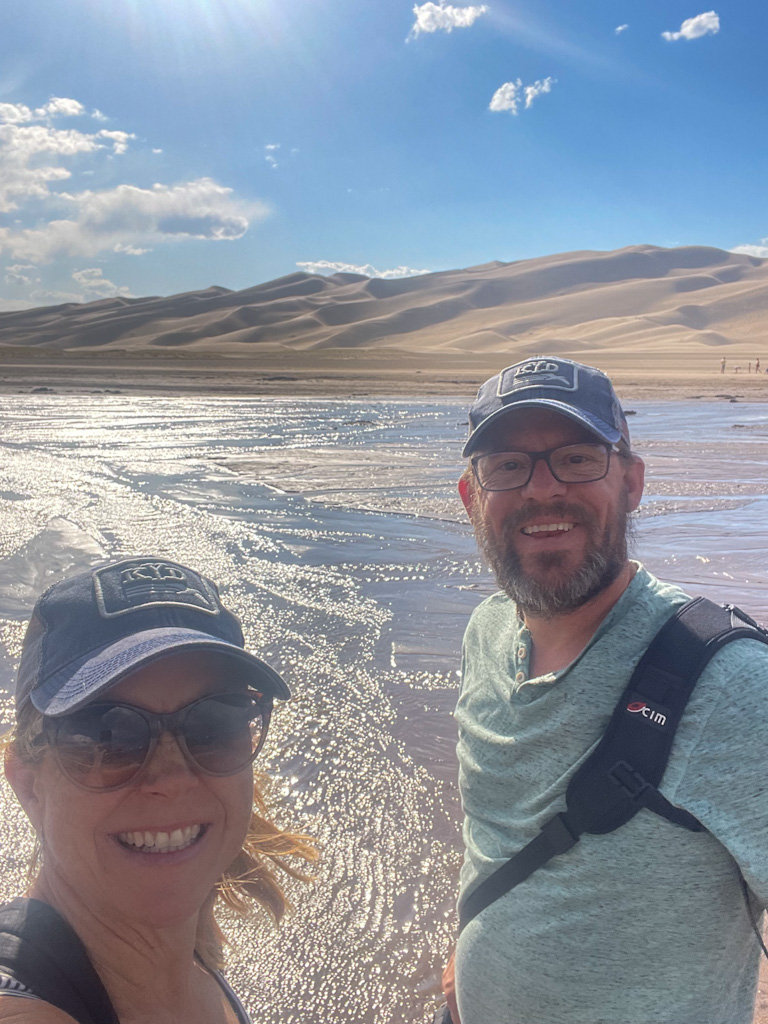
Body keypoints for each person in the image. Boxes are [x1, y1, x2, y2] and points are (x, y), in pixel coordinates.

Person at [443, 356, 768, 1024]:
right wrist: (473, 941)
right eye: (507, 465)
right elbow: (494, 830)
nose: (542, 490)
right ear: (472, 498)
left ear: (632, 482)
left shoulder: (731, 686)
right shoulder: (485, 633)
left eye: (577, 458)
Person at [0, 556, 316, 1024]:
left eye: (214, 723)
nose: (172, 779)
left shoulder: (193, 955)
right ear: (29, 783)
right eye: (108, 736)